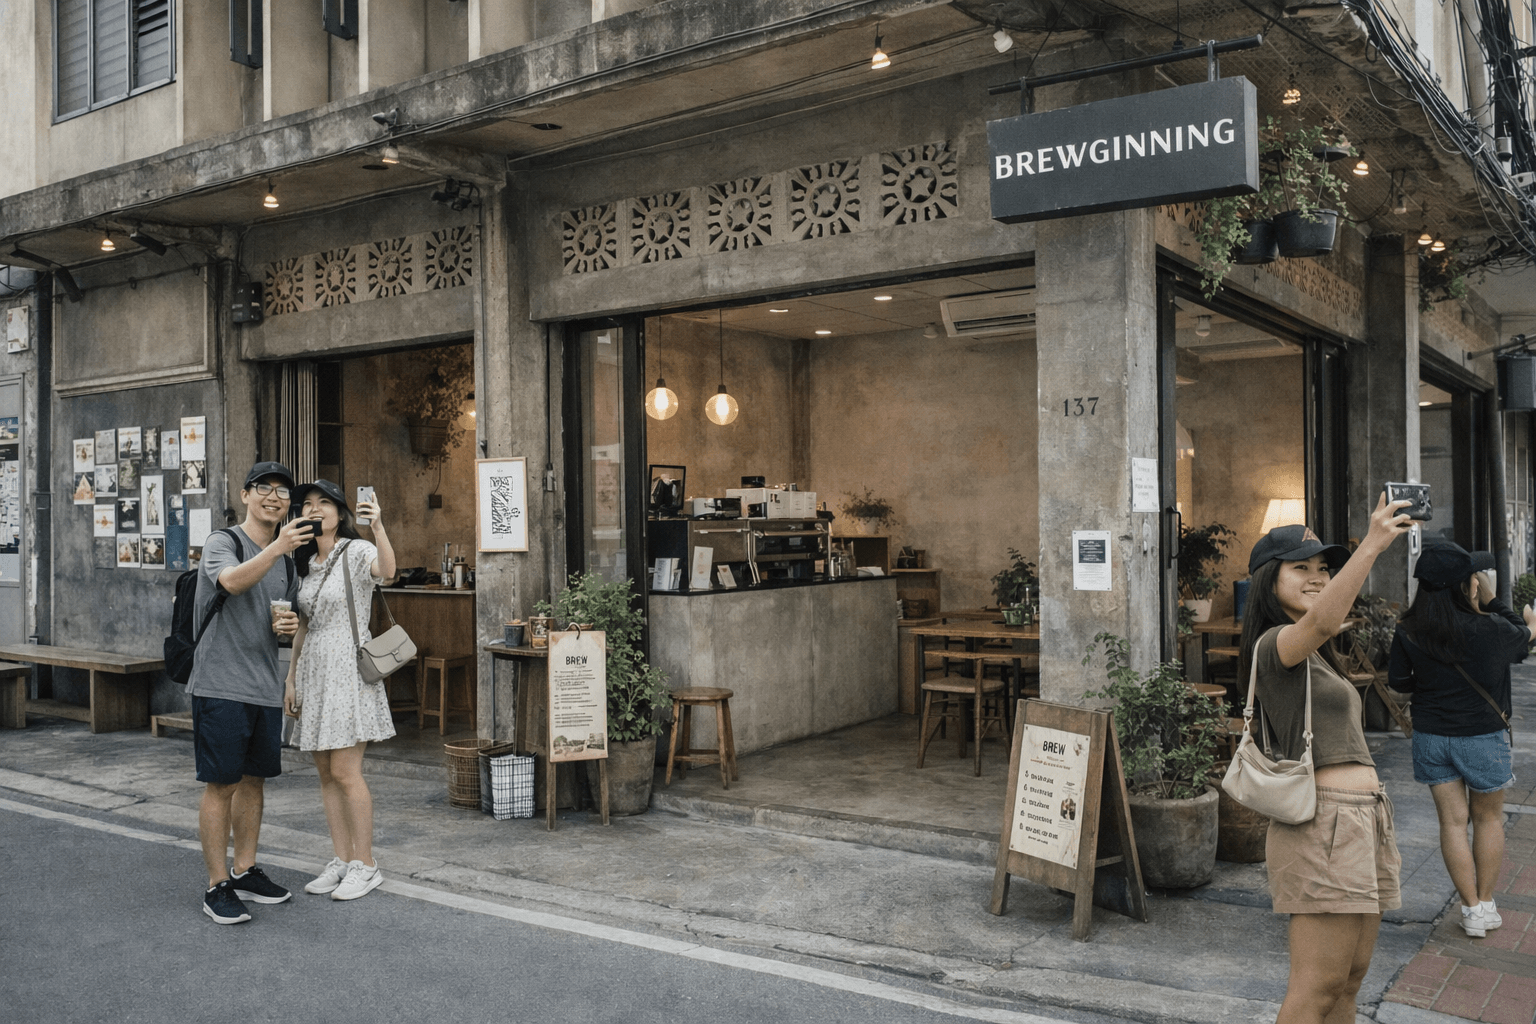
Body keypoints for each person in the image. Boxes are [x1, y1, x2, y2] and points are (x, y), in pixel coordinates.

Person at [1237, 495, 1413, 1024]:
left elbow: (1323, 625)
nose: (1316, 576)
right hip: (1325, 820)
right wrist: (1375, 543)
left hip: (1365, 817)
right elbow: (1317, 623)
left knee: (1349, 982)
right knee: (1317, 987)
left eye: (1323, 568)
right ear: (1270, 580)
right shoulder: (1275, 646)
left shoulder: (1317, 653)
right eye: (1301, 568)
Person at [1388, 543, 1535, 938]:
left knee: (1452, 824)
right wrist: (1491, 600)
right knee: (1487, 818)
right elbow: (1525, 635)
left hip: (1432, 736)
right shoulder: (1488, 628)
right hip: (1482, 737)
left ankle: (1470, 910)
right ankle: (1486, 904)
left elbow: (1399, 684)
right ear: (1466, 585)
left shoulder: (1407, 628)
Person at [187, 461, 312, 925]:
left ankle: (245, 870)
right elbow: (232, 581)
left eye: (282, 492)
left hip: (263, 684)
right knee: (221, 783)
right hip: (220, 684)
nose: (274, 497)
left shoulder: (286, 563)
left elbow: (282, 617)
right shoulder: (225, 542)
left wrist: (288, 625)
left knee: (255, 781)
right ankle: (217, 885)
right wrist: (277, 545)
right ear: (245, 495)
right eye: (264, 488)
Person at [283, 479, 397, 901]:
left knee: (347, 772)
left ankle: (366, 864)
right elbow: (304, 626)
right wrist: (291, 677)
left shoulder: (357, 550)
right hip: (314, 668)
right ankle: (342, 858)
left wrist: (378, 527)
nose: (315, 510)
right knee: (326, 775)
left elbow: (388, 572)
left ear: (340, 512)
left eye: (323, 503)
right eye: (307, 504)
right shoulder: (306, 563)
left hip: (348, 668)